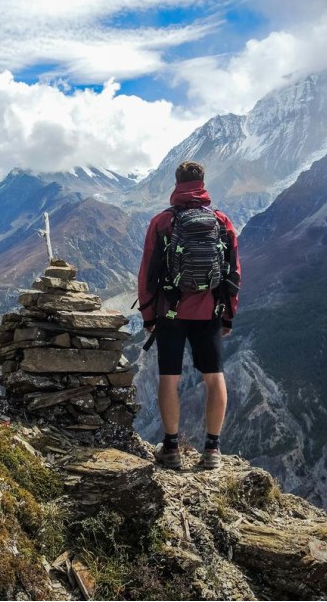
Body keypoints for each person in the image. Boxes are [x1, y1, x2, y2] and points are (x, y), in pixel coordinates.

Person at [137, 161, 241, 470]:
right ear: (203, 183)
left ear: (176, 182)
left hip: (170, 311)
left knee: (168, 378)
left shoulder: (162, 222)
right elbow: (234, 272)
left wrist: (148, 316)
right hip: (210, 310)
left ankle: (171, 448)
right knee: (214, 377)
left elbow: (147, 273)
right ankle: (212, 450)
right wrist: (228, 314)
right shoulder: (221, 221)